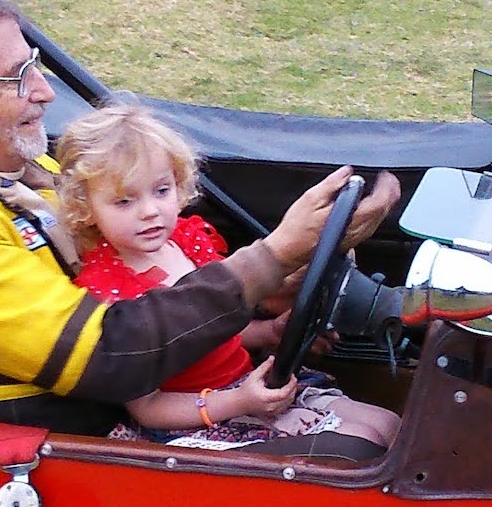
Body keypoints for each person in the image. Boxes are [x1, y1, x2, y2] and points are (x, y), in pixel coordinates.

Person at [0, 0, 401, 456]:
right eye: (15, 77)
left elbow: (157, 269)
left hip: (166, 394)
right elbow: (109, 353)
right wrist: (273, 255)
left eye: (36, 65)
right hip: (82, 443)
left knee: (398, 425)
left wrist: (290, 275)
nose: (44, 91)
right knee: (369, 456)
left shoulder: (26, 171)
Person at [55, 104, 401, 452]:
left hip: (248, 385)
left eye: (161, 191)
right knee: (362, 446)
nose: (150, 211)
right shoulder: (108, 295)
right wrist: (239, 403)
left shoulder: (186, 242)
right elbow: (149, 410)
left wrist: (267, 332)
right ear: (86, 208)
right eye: (124, 201)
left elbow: (213, 328)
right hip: (200, 416)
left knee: (391, 425)